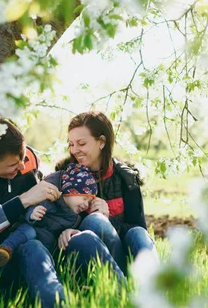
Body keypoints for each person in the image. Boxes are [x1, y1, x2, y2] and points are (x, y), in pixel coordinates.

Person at [0, 119, 123, 308]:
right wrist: (23, 200)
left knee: (86, 238)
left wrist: (71, 226)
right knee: (34, 248)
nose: (21, 166)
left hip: (48, 240)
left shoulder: (29, 159)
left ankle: (125, 299)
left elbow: (63, 194)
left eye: (23, 156)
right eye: (13, 164)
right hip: (5, 255)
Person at [55, 111, 157, 274]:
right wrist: (74, 229)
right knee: (95, 221)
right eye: (71, 144)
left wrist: (108, 219)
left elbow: (137, 227)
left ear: (101, 142)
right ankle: (122, 284)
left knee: (138, 233)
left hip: (120, 249)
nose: (75, 150)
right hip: (83, 251)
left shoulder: (127, 177)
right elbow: (53, 219)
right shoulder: (63, 173)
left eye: (81, 143)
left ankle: (155, 286)